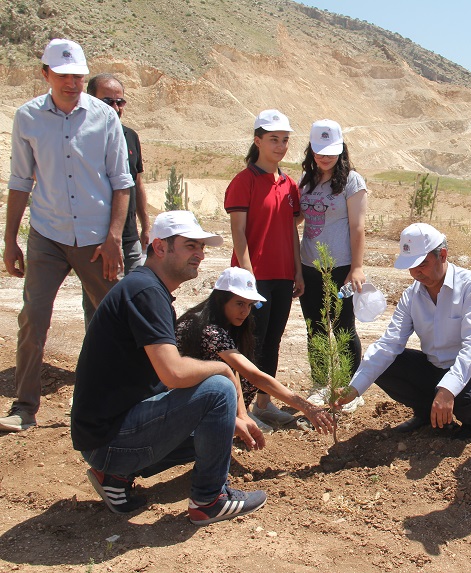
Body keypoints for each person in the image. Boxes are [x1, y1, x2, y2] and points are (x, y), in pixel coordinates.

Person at [71, 210, 270, 525]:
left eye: (202, 248)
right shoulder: (146, 291)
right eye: (191, 246)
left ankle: (115, 477)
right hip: (108, 440)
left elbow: (163, 379)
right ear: (160, 247)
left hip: (105, 438)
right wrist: (220, 371)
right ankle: (209, 500)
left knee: (216, 431)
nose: (200, 255)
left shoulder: (147, 288)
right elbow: (173, 373)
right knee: (217, 390)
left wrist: (232, 416)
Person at [1, 39, 133, 432]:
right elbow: (21, 181)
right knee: (33, 317)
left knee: (118, 320)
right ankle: (24, 407)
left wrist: (113, 239)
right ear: (46, 75)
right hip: (47, 233)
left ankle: (129, 400)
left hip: (96, 240)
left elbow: (121, 182)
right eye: (63, 76)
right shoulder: (27, 118)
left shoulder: (104, 117)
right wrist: (10, 240)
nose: (71, 83)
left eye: (77, 76)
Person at [336, 223, 471, 440]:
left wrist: (447, 389)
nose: (416, 272)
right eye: (411, 266)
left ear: (442, 255)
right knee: (384, 365)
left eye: (422, 264)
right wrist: (354, 389)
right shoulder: (411, 296)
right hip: (436, 367)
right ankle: (427, 413)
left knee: (461, 394)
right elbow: (389, 344)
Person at [175, 266, 336, 435]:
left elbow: (237, 372)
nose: (245, 311)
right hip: (182, 402)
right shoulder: (209, 330)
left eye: (249, 305)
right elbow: (255, 376)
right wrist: (307, 407)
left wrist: (243, 413)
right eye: (239, 303)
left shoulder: (225, 323)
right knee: (242, 378)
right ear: (221, 299)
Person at [225, 109, 304, 431]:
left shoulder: (289, 185)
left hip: (283, 276)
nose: (280, 146)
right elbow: (238, 234)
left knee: (272, 341)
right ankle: (240, 410)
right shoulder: (244, 182)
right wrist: (247, 280)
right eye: (274, 139)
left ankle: (264, 404)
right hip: (253, 280)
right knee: (249, 344)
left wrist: (297, 272)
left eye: (285, 140)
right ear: (258, 141)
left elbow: (290, 231)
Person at [297, 120, 368, 392]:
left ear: (341, 150)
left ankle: (351, 388)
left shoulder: (352, 180)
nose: (324, 156)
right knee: (314, 328)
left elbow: (357, 226)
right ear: (311, 150)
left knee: (343, 328)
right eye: (319, 150)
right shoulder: (307, 182)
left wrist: (357, 268)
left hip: (341, 267)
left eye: (330, 151)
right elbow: (296, 219)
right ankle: (320, 386)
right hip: (309, 265)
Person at [80, 73, 150, 324]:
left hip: (129, 237)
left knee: (135, 301)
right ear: (90, 99)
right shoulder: (80, 138)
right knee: (100, 306)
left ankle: (127, 362)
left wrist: (146, 226)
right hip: (97, 239)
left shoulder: (130, 136)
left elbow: (137, 183)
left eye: (121, 102)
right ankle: (96, 361)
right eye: (108, 101)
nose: (116, 108)